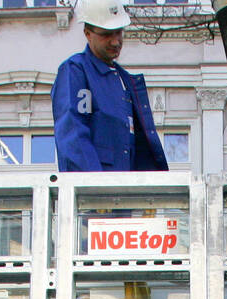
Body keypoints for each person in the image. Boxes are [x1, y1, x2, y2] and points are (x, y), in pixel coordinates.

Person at [51, 0, 169, 173]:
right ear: (87, 33)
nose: (115, 42)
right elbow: (73, 134)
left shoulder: (124, 80)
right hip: (99, 192)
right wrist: (96, 186)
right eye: (106, 34)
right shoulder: (76, 71)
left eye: (119, 32)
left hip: (125, 190)